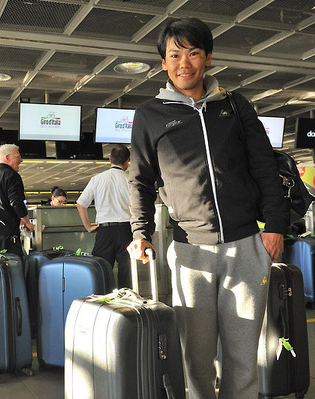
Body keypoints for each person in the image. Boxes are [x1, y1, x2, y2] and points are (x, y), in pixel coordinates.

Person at [126, 18, 288, 399]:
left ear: (208, 58)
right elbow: (140, 179)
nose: (185, 62)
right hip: (189, 251)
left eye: (194, 53)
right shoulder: (150, 115)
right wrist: (139, 232)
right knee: (196, 357)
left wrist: (276, 225)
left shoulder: (234, 105)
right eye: (175, 54)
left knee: (243, 355)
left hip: (247, 245)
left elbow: (264, 166)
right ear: (164, 63)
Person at [76, 145, 132, 288]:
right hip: (127, 229)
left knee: (100, 270)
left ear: (109, 159)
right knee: (127, 271)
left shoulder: (97, 179)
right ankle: (126, 303)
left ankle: (102, 301)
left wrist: (88, 227)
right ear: (127, 162)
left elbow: (81, 204)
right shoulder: (131, 180)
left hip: (105, 231)